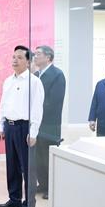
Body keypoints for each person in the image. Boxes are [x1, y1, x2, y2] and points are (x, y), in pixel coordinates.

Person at [0, 46, 44, 207]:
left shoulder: (34, 82)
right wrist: (1, 126)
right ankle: (14, 199)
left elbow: (37, 108)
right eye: (13, 57)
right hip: (9, 127)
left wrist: (33, 132)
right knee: (12, 166)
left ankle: (28, 205)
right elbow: (3, 104)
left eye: (19, 57)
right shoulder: (8, 81)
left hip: (25, 128)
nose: (15, 60)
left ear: (28, 61)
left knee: (27, 169)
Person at [32, 46, 65, 198]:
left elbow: (55, 101)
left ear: (48, 57)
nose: (35, 56)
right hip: (36, 122)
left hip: (49, 123)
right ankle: (43, 184)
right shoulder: (36, 75)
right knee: (38, 156)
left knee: (48, 156)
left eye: (38, 54)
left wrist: (36, 110)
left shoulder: (57, 74)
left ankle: (51, 187)